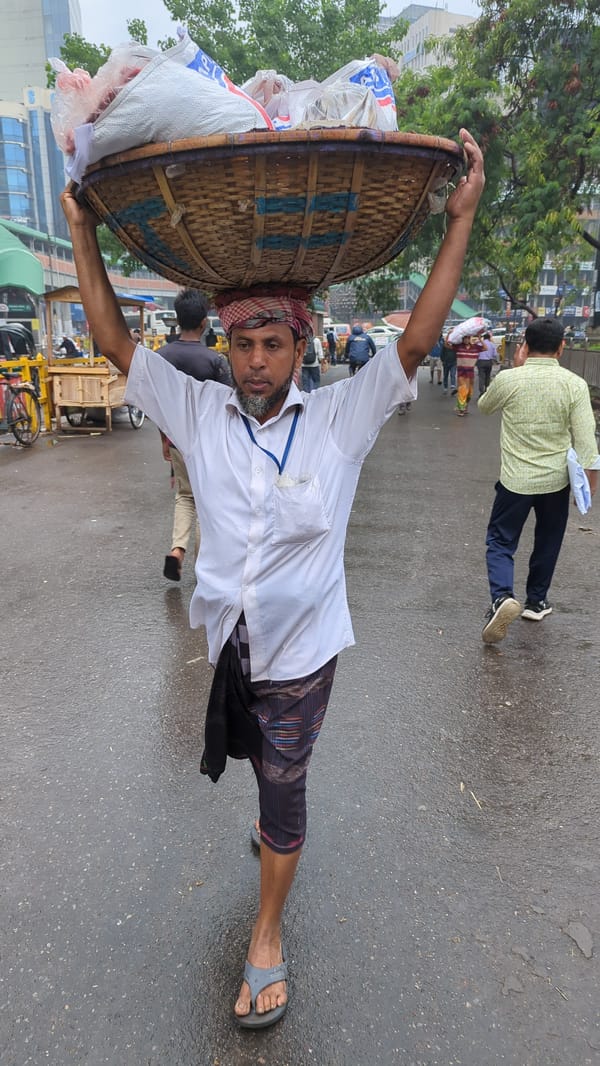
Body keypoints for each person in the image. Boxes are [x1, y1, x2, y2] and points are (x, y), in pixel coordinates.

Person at [61, 127, 484, 1030]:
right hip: (229, 642)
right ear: (225, 341)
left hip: (304, 650)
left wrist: (460, 221)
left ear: (301, 346)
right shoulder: (199, 408)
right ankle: (271, 823)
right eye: (242, 341)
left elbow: (416, 340)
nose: (254, 359)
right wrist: (84, 231)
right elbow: (106, 336)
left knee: (283, 785)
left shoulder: (340, 418)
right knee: (256, 758)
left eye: (271, 343)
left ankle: (265, 931)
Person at [479, 316, 600, 644]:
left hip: (515, 481)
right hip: (556, 482)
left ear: (525, 346)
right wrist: (590, 482)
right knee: (548, 539)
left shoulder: (509, 379)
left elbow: (484, 406)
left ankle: (502, 597)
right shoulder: (574, 384)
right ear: (561, 347)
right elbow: (586, 438)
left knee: (501, 541)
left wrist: (517, 368)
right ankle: (536, 601)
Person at [157, 288, 231, 581]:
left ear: (177, 320)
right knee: (207, 500)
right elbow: (228, 404)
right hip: (208, 442)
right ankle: (204, 564)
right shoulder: (214, 361)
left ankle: (177, 550)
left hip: (176, 439)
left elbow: (158, 404)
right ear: (204, 322)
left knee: (185, 495)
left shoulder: (161, 357)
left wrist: (164, 439)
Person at [452, 332, 485, 415]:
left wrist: (480, 339)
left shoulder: (475, 347)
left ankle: (465, 406)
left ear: (469, 339)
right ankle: (461, 409)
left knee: (469, 391)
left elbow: (485, 348)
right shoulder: (458, 347)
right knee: (462, 389)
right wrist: (449, 335)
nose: (466, 340)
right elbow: (447, 345)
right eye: (465, 338)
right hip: (461, 371)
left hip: (470, 372)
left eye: (467, 338)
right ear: (462, 339)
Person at [476, 331, 499, 395]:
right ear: (489, 338)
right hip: (489, 362)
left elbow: (476, 353)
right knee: (487, 376)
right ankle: (486, 389)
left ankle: (481, 391)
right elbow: (495, 354)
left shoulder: (479, 344)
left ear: (483, 338)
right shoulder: (492, 344)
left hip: (480, 362)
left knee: (481, 376)